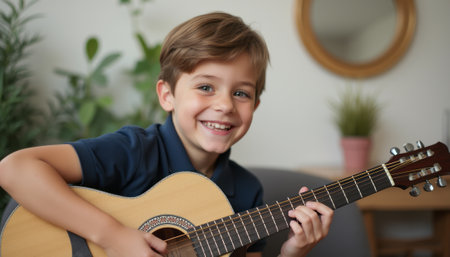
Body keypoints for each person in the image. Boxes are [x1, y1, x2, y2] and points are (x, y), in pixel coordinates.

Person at [0, 12, 333, 257]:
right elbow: (14, 168)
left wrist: (293, 252)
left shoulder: (245, 191)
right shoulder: (134, 150)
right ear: (167, 95)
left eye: (241, 93)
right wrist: (112, 236)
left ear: (255, 105)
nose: (224, 105)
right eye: (206, 87)